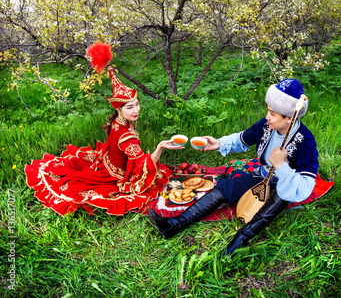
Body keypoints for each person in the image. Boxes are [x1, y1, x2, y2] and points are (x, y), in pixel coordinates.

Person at [148, 79, 319, 254]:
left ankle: (238, 242)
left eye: (273, 113)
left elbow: (306, 185)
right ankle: (173, 225)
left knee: (275, 201)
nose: (267, 116)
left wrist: (282, 166)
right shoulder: (266, 125)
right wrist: (219, 144)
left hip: (285, 185)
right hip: (261, 176)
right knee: (226, 187)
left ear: (289, 118)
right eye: (268, 111)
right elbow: (243, 138)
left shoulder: (305, 142)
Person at [25, 44, 183, 216]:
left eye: (137, 104)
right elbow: (141, 167)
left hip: (108, 160)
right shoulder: (127, 138)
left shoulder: (117, 120)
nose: (136, 110)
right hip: (115, 174)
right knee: (155, 177)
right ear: (119, 109)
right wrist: (159, 147)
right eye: (130, 107)